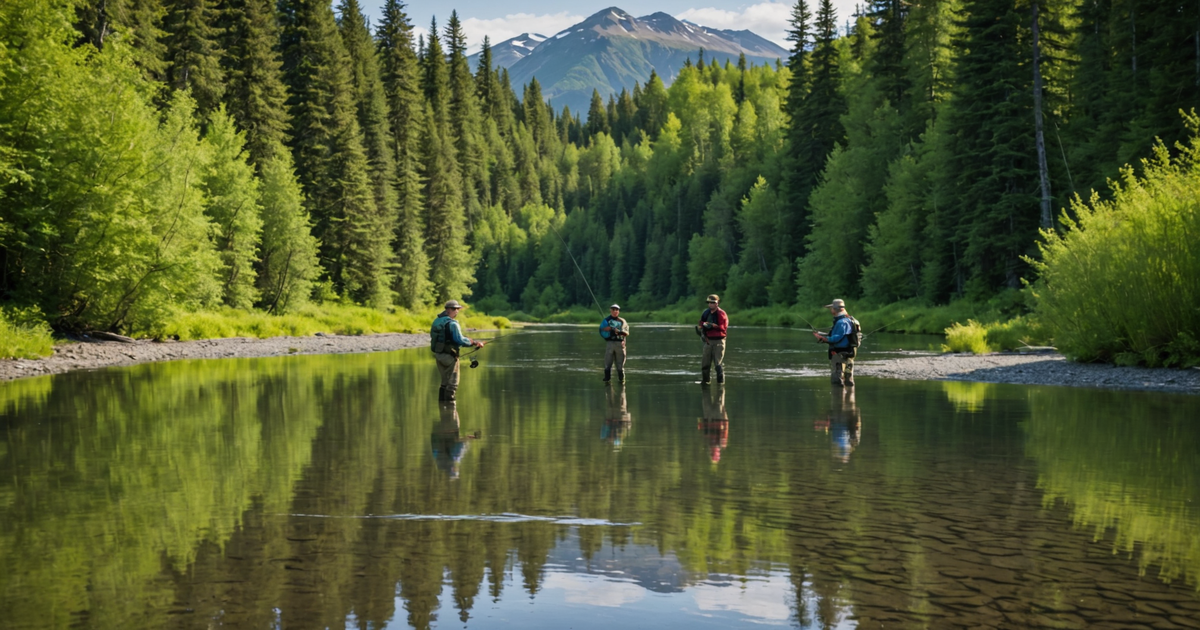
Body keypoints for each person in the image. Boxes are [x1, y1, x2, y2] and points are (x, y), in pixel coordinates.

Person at [430, 299, 484, 401]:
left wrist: (468, 340)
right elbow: (459, 340)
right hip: (450, 356)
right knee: (453, 384)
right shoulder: (453, 324)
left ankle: (442, 406)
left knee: (444, 382)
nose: (457, 311)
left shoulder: (437, 321)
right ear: (450, 309)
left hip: (439, 355)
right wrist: (474, 342)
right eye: (456, 309)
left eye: (458, 309)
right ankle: (450, 409)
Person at [812, 298, 860, 387]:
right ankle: (850, 399)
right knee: (849, 379)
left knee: (837, 380)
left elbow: (836, 338)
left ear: (836, 309)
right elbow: (857, 336)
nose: (831, 310)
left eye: (831, 308)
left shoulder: (841, 322)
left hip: (839, 352)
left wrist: (823, 338)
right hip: (851, 352)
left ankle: (837, 399)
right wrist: (824, 335)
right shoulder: (853, 320)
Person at [697, 294, 728, 383]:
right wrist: (704, 325)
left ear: (717, 303)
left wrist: (713, 326)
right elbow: (700, 323)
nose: (710, 304)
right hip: (708, 340)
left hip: (719, 341)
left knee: (718, 364)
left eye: (712, 303)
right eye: (709, 303)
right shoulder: (706, 312)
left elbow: (723, 327)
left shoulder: (721, 314)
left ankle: (720, 383)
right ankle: (705, 381)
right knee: (705, 364)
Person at [698, 384, 729, 463]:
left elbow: (702, 430)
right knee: (719, 393)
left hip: (709, 417)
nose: (711, 450)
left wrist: (701, 423)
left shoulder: (709, 443)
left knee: (709, 395)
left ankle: (715, 382)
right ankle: (718, 382)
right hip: (715, 416)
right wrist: (724, 413)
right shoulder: (722, 442)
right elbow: (725, 426)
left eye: (712, 453)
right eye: (713, 452)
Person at [600, 304, 629, 383]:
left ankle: (621, 380)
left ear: (618, 311)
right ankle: (607, 380)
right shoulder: (606, 320)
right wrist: (609, 329)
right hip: (610, 344)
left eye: (617, 310)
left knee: (620, 365)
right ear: (610, 310)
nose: (615, 311)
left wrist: (618, 332)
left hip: (620, 345)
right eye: (613, 310)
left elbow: (626, 332)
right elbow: (602, 330)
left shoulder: (622, 321)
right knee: (607, 363)